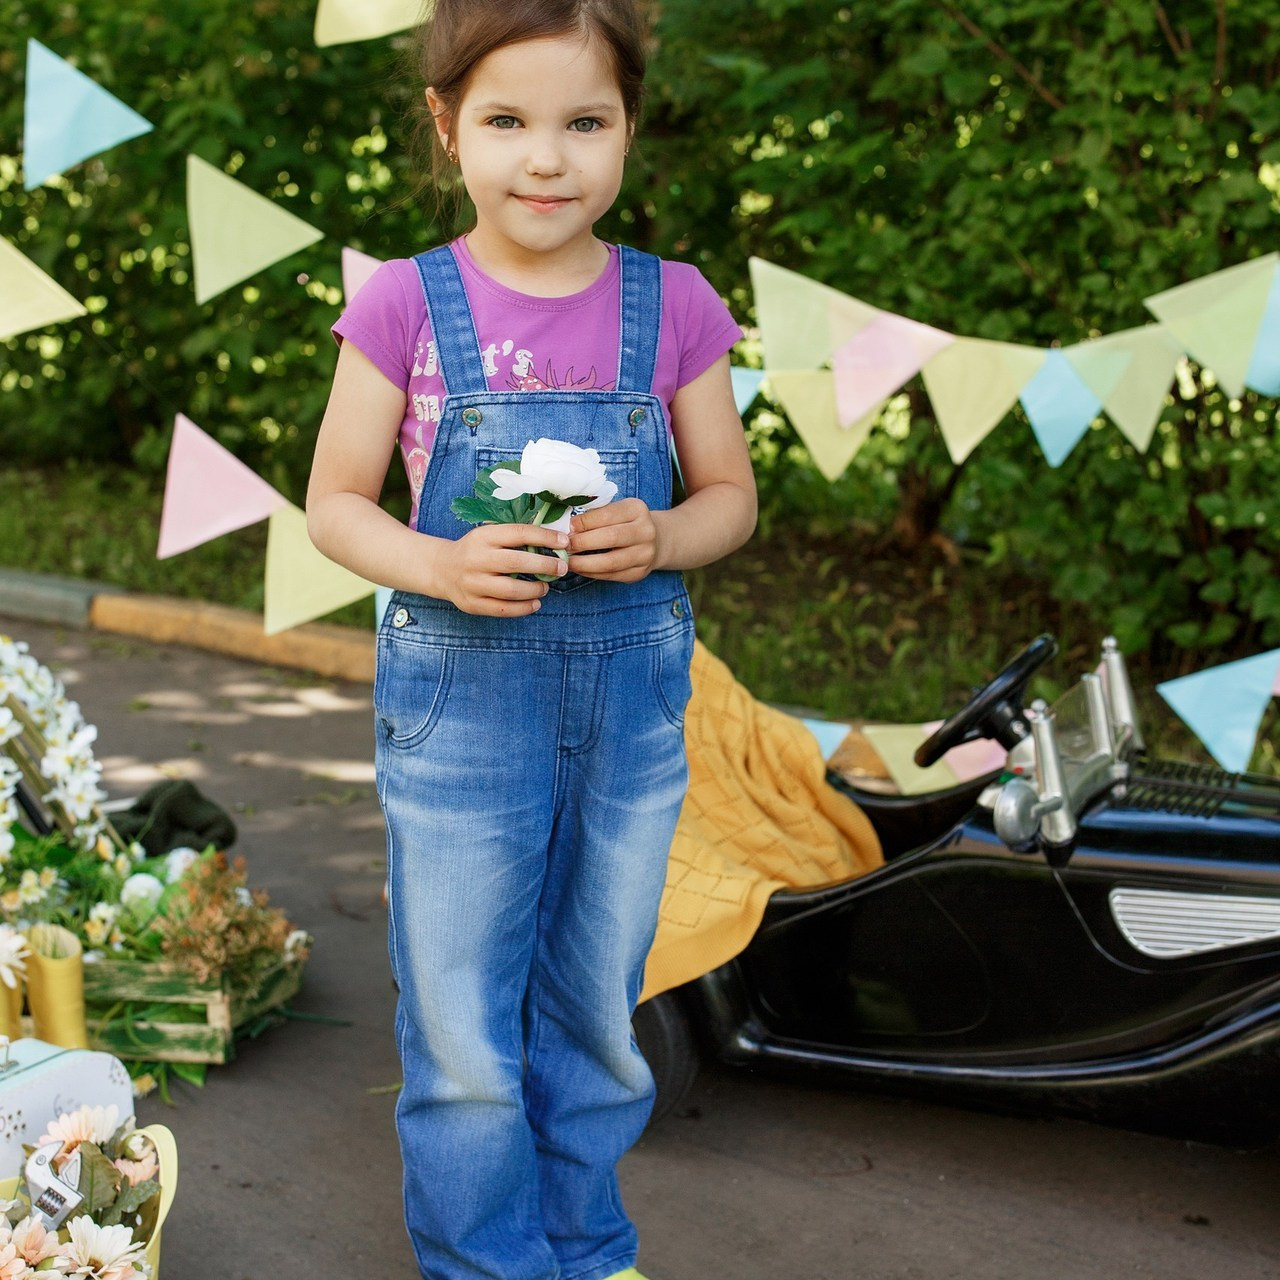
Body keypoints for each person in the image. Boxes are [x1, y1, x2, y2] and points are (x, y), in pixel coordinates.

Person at [306, 0, 757, 1275]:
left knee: (594, 1008)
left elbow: (728, 495)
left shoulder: (673, 306)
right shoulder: (403, 302)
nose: (546, 158)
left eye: (584, 122)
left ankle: (583, 1237)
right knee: (459, 1021)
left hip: (627, 716)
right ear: (447, 127)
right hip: (462, 711)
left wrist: (663, 536)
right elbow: (335, 502)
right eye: (506, 121)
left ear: (627, 131)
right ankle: (484, 1259)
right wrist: (437, 561)